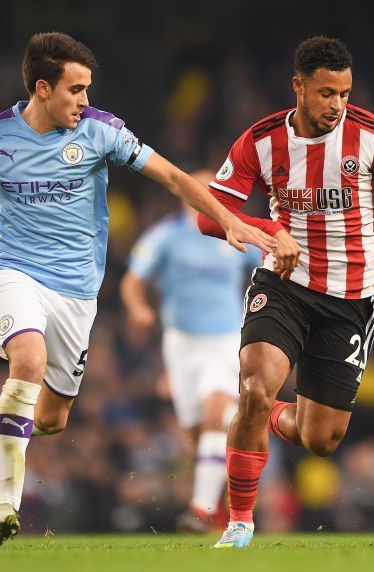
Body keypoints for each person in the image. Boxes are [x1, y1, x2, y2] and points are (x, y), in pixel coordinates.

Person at [0, 32, 275, 546]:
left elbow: (173, 178)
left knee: (54, 419)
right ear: (42, 88)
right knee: (28, 361)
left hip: (78, 294)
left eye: (88, 90)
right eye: (76, 90)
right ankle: (3, 506)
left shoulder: (102, 133)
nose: (85, 101)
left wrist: (227, 220)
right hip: (14, 274)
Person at [197, 36, 374, 548]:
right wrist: (268, 230)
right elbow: (208, 215)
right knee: (257, 384)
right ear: (298, 87)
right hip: (284, 284)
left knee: (319, 438)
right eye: (327, 93)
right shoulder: (260, 141)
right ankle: (239, 522)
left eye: (345, 94)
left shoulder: (371, 136)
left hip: (351, 299)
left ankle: (272, 415)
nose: (337, 106)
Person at [120, 169, 262, 532]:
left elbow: (270, 269)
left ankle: (201, 509)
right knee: (198, 432)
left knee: (218, 412)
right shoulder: (166, 237)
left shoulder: (235, 231)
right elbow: (132, 280)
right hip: (181, 343)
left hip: (226, 338)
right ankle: (218, 504)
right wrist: (138, 307)